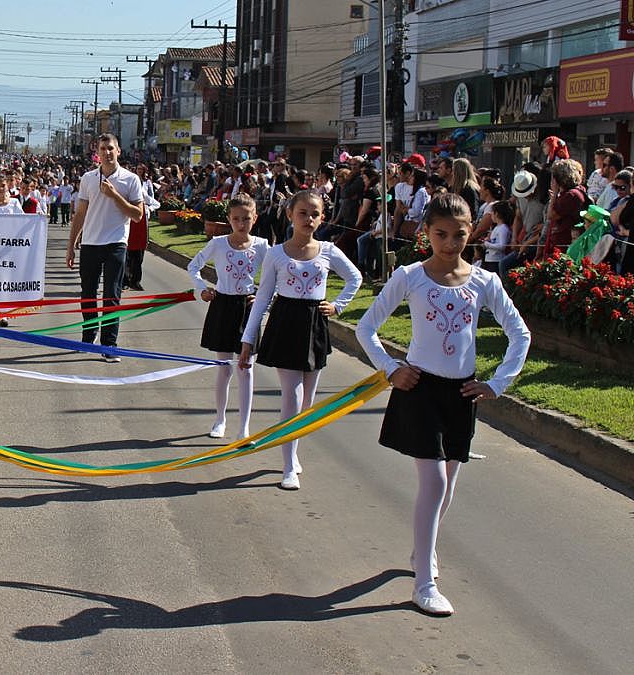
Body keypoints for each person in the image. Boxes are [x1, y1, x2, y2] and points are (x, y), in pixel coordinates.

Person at [355, 193, 530, 616]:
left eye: (459, 234)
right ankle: (425, 581)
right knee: (433, 482)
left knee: (448, 485)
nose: (451, 243)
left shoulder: (485, 281)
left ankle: (422, 552)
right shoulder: (411, 276)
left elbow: (519, 334)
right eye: (441, 234)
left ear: (472, 231)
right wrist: (390, 367)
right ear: (426, 232)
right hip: (419, 390)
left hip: (461, 393)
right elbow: (366, 327)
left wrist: (496, 384)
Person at [238, 190, 362, 490]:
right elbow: (263, 297)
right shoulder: (277, 253)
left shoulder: (329, 250)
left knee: (307, 401)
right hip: (285, 323)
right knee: (291, 397)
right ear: (290, 214)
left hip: (314, 325)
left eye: (315, 214)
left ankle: (294, 451)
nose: (309, 218)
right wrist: (248, 340)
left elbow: (354, 278)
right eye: (303, 212)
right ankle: (288, 464)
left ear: (322, 217)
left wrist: (338, 305)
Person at [188, 194, 269, 439]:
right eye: (236, 219)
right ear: (229, 219)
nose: (241, 224)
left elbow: (276, 274)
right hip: (222, 305)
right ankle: (220, 419)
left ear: (254, 218)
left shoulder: (263, 245)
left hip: (247, 308)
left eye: (246, 218)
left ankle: (244, 426)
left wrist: (264, 297)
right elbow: (194, 266)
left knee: (246, 368)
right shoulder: (219, 243)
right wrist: (201, 288)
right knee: (224, 368)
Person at [66, 134, 144, 361]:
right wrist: (71, 246)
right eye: (103, 149)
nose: (107, 153)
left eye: (111, 148)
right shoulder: (88, 179)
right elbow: (79, 214)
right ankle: (88, 337)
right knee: (88, 294)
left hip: (116, 243)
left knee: (112, 295)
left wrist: (114, 194)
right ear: (97, 153)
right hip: (90, 243)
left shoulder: (130, 180)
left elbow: (137, 215)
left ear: (118, 151)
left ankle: (109, 345)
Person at [541, 159, 587, 259]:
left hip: (565, 246)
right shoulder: (566, 194)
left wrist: (553, 195)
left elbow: (551, 215)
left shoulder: (572, 195)